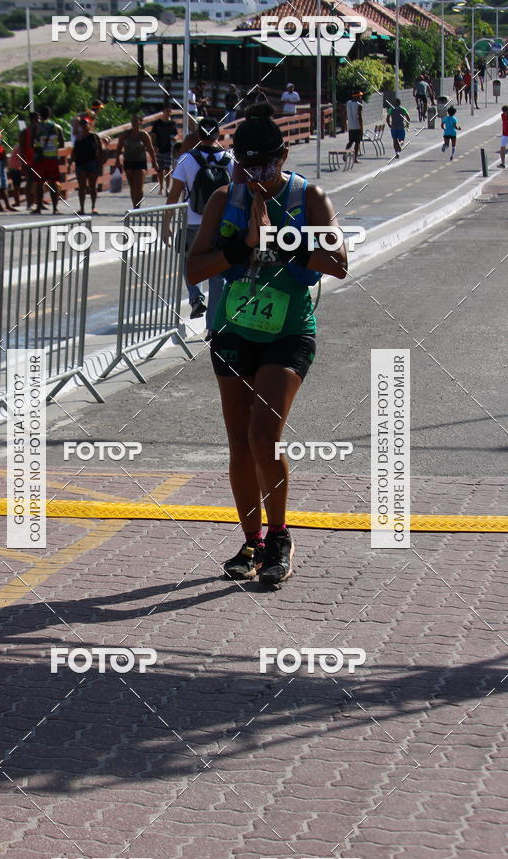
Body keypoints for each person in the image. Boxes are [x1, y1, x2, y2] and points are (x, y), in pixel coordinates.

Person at [186, 103, 347, 586]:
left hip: (289, 332)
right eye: (247, 166)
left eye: (266, 166)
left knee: (263, 437)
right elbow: (194, 270)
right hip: (234, 331)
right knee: (238, 443)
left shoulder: (308, 197)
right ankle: (251, 542)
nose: (256, 176)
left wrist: (281, 241)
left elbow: (338, 262)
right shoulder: (223, 199)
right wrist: (239, 247)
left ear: (284, 157)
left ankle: (279, 536)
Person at [163, 117, 234, 327]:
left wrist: (166, 223)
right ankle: (213, 327)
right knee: (217, 274)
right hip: (219, 224)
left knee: (188, 261)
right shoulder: (229, 160)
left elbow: (174, 193)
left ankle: (195, 297)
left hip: (192, 221)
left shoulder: (186, 159)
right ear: (217, 135)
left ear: (198, 135)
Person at [115, 112, 157, 209]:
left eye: (136, 121)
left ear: (140, 123)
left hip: (140, 162)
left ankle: (138, 206)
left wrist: (154, 162)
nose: (134, 123)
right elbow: (119, 147)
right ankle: (135, 205)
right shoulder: (125, 134)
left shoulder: (144, 135)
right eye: (132, 121)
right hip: (128, 162)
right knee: (132, 186)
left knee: (139, 186)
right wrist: (117, 161)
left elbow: (150, 149)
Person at [32, 104, 64, 214]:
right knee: (53, 183)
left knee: (39, 183)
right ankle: (55, 208)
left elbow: (32, 143)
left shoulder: (36, 127)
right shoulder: (57, 127)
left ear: (40, 115)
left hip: (40, 159)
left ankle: (38, 207)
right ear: (50, 114)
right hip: (52, 158)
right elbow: (62, 144)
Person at [69, 116, 103, 214]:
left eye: (86, 124)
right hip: (80, 163)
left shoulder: (94, 136)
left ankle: (93, 207)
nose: (84, 126)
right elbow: (74, 152)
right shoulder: (78, 138)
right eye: (82, 125)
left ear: (89, 125)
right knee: (82, 187)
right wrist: (70, 163)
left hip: (92, 162)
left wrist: (99, 163)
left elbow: (100, 150)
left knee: (92, 186)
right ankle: (82, 208)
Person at [151, 104, 178, 194]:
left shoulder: (172, 124)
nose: (168, 113)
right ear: (163, 111)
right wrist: (154, 146)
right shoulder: (157, 123)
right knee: (160, 170)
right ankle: (161, 187)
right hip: (159, 148)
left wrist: (175, 138)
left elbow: (175, 134)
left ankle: (167, 188)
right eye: (166, 111)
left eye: (169, 111)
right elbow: (153, 135)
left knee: (167, 169)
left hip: (168, 148)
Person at [18, 110, 41, 210]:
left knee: (39, 182)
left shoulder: (41, 130)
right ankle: (29, 203)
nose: (39, 120)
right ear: (32, 119)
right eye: (37, 118)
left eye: (39, 118)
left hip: (39, 160)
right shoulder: (25, 131)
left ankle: (38, 202)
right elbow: (22, 147)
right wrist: (22, 161)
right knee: (30, 182)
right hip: (29, 160)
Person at [345, 91, 363, 162]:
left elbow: (345, 114)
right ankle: (355, 158)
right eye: (360, 96)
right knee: (357, 143)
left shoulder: (348, 103)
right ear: (356, 96)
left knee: (350, 141)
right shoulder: (359, 105)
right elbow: (360, 117)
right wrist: (361, 128)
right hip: (357, 126)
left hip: (350, 126)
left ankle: (345, 153)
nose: (361, 97)